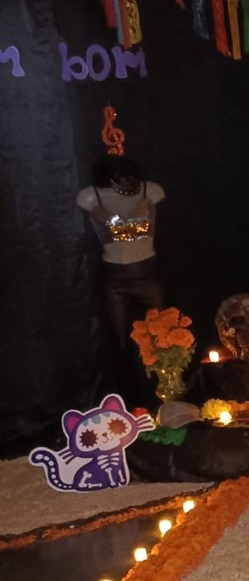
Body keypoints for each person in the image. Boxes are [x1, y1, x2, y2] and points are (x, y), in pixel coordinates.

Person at [75, 156, 166, 400]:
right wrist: (122, 221)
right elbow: (117, 235)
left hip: (146, 273)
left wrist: (117, 221)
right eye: (120, 177)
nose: (126, 181)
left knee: (162, 336)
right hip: (115, 277)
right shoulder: (91, 196)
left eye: (130, 176)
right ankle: (126, 396)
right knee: (119, 341)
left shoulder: (151, 191)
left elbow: (131, 232)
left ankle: (163, 392)